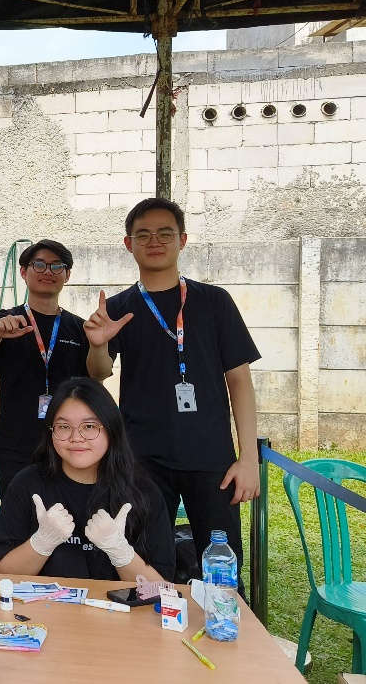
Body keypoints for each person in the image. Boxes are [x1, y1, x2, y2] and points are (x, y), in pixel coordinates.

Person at [84, 197, 260, 581]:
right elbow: (98, 374)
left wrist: (248, 459)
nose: (154, 241)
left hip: (212, 459)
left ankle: (222, 635)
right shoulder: (118, 307)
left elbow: (240, 382)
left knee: (222, 569)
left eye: (165, 233)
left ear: (183, 239)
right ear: (128, 244)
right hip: (143, 458)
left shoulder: (215, 302)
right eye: (143, 234)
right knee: (143, 566)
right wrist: (98, 343)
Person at [0, 378, 176, 582]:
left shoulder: (141, 490)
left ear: (111, 430)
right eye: (63, 426)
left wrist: (120, 551)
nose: (76, 437)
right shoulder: (28, 483)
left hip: (118, 612)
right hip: (45, 609)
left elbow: (162, 586)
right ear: (51, 432)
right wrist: (41, 542)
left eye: (89, 426)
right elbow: (4, 570)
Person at [0, 240, 92, 488]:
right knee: (19, 520)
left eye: (56, 266)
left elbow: (95, 379)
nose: (47, 272)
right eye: (38, 265)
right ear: (23, 272)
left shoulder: (79, 328)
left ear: (67, 275)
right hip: (15, 446)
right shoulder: (7, 321)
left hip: (68, 444)